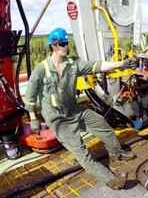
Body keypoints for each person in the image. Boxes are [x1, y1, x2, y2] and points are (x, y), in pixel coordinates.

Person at [24, 27, 137, 190]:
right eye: (62, 43)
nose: (66, 46)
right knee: (81, 151)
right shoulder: (41, 70)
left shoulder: (73, 63)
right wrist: (33, 118)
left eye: (66, 43)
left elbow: (96, 66)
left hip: (73, 109)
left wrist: (122, 63)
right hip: (57, 119)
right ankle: (112, 180)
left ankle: (116, 153)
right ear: (53, 46)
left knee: (101, 123)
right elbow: (30, 96)